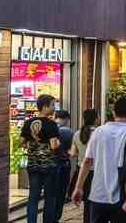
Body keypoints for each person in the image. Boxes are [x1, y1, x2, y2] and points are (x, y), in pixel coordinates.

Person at [72, 97, 126, 223]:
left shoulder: (98, 131)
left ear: (114, 113)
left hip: (97, 195)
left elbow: (87, 161)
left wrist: (78, 187)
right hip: (122, 196)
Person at [20, 94, 60, 223]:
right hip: (48, 165)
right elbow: (54, 145)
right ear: (45, 107)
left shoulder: (28, 123)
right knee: (49, 198)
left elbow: (20, 142)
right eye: (53, 105)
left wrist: (32, 145)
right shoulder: (51, 124)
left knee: (33, 197)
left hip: (33, 164)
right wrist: (58, 143)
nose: (54, 108)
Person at [70, 109, 99, 223]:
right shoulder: (99, 133)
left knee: (87, 202)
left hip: (81, 171)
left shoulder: (77, 134)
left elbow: (72, 153)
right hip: (95, 172)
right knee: (95, 202)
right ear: (96, 118)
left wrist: (82, 153)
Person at [54, 110, 74, 223]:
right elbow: (72, 150)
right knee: (61, 193)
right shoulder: (68, 131)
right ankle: (56, 217)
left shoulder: (50, 129)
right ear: (66, 119)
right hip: (64, 164)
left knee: (51, 193)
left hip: (50, 165)